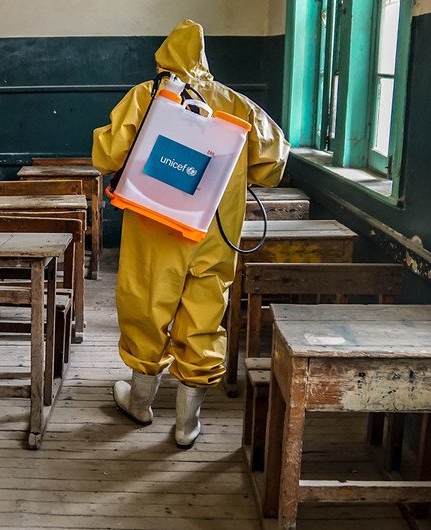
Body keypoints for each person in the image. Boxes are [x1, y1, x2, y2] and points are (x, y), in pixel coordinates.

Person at [92, 19, 289, 448]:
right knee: (204, 316)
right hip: (213, 233)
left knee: (145, 307)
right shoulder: (238, 106)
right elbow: (274, 165)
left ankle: (140, 404)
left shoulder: (146, 97)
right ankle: (186, 424)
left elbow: (105, 155)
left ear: (164, 56)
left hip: (154, 229)